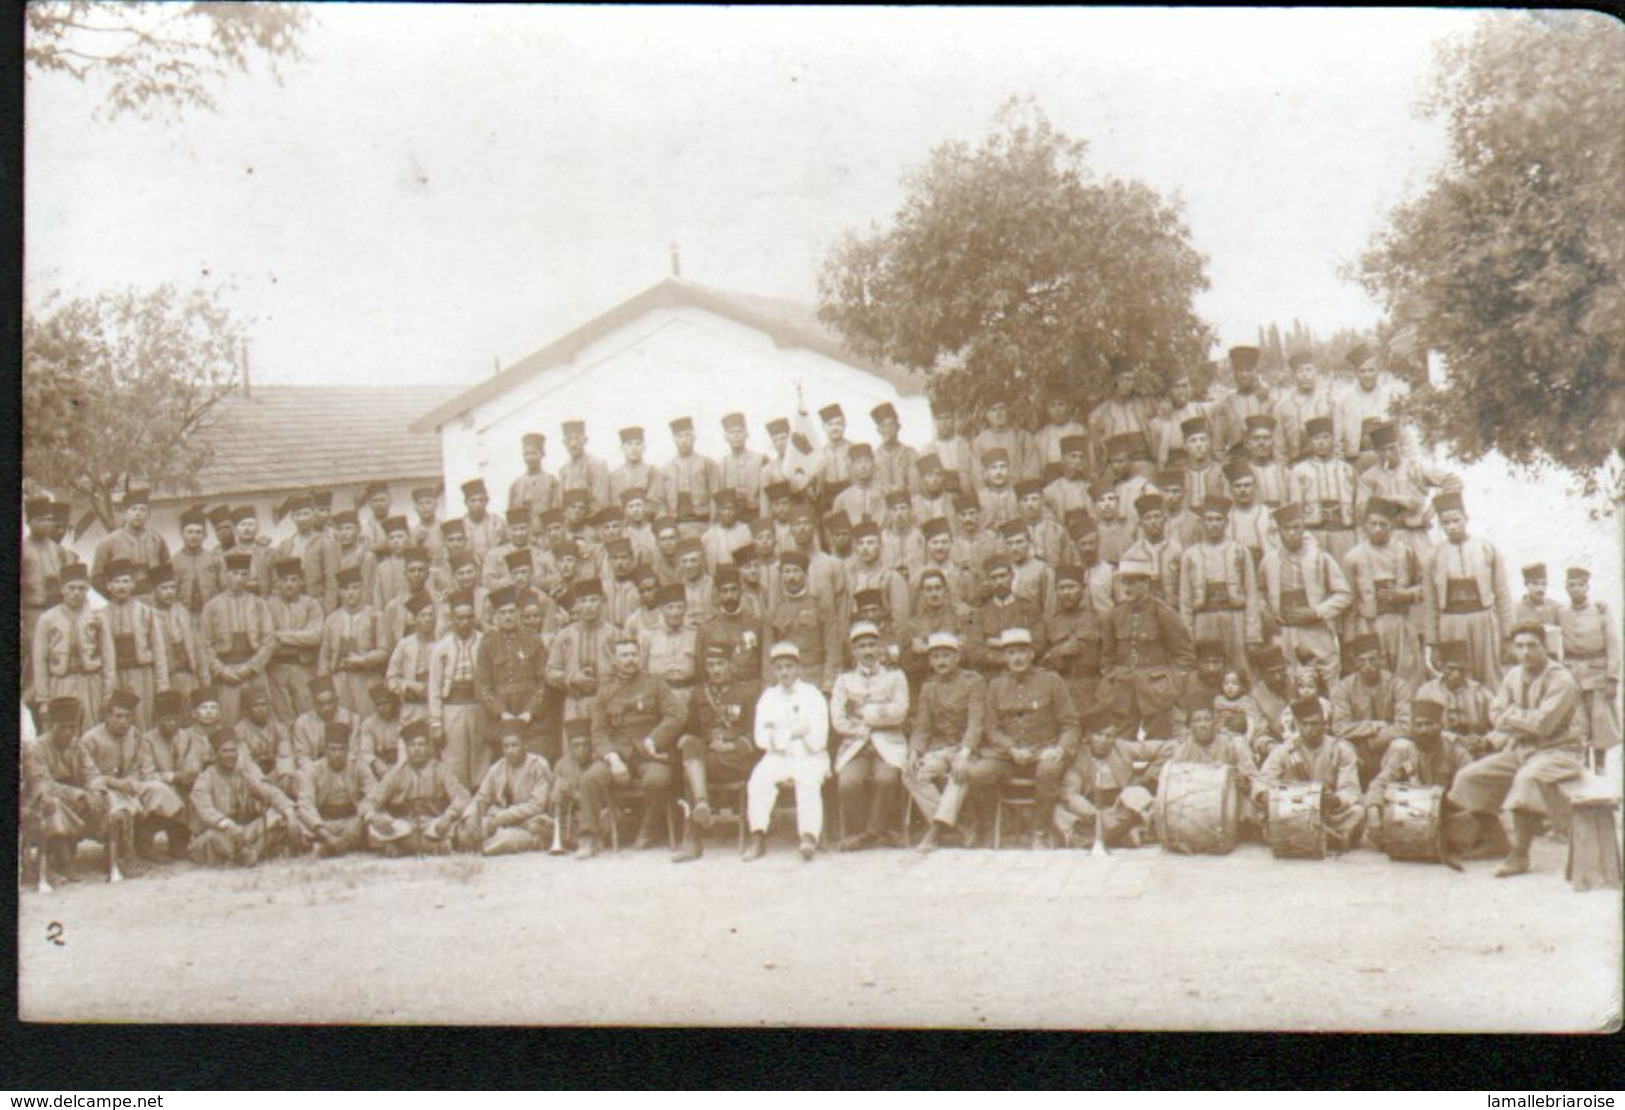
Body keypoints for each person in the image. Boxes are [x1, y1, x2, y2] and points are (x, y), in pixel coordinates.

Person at [1446, 623, 1587, 877]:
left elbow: (1543, 725)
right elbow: (1494, 714)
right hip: (1522, 749)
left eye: (1532, 645)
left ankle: (1520, 855)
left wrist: (1510, 717)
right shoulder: (1513, 675)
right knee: (1470, 776)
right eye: (1520, 646)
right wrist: (1519, 719)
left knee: (1527, 780)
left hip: (1560, 752)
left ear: (1545, 646)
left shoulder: (1561, 679)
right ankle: (1496, 839)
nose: (1525, 652)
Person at [970, 627, 1081, 849]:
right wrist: (1011, 749)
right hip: (1009, 757)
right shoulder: (996, 686)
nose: (1017, 657)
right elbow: (991, 729)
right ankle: (992, 828)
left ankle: (1039, 832)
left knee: (1049, 770)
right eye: (1011, 653)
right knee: (978, 773)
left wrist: (1060, 749)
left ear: (1031, 654)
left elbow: (1070, 724)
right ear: (1004, 657)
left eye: (1022, 651)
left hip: (1044, 752)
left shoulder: (1051, 681)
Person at [575, 635, 685, 857]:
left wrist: (654, 739)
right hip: (617, 753)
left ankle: (649, 827)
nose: (630, 660)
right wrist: (613, 759)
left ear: (641, 656)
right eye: (624, 655)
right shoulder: (605, 691)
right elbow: (598, 731)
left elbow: (677, 714)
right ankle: (588, 837)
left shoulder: (655, 684)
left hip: (649, 752)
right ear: (615, 660)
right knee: (590, 779)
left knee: (658, 779)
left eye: (633, 654)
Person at [671, 643, 761, 863]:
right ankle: (701, 802)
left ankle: (692, 840)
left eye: (720, 664)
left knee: (690, 771)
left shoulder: (747, 692)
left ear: (730, 664)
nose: (716, 669)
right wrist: (689, 739)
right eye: (711, 665)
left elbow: (757, 733)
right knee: (690, 749)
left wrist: (731, 746)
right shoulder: (699, 693)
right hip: (709, 759)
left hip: (738, 759)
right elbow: (693, 730)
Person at [743, 642, 830, 862]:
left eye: (789, 666)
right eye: (779, 667)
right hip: (778, 755)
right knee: (758, 780)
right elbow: (760, 737)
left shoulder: (812, 695)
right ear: (773, 671)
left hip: (808, 754)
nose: (784, 672)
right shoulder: (768, 697)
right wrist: (792, 733)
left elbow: (819, 737)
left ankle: (809, 836)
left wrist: (787, 732)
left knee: (808, 779)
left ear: (798, 668)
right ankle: (757, 835)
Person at [830, 621, 911, 851]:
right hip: (855, 743)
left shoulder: (895, 676)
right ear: (854, 651)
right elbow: (838, 720)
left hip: (888, 743)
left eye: (872, 645)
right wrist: (875, 716)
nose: (867, 651)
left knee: (887, 779)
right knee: (848, 783)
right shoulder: (844, 680)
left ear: (880, 648)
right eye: (862, 646)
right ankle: (876, 830)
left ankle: (867, 835)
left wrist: (862, 712)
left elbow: (899, 713)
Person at [1423, 491, 1512, 690]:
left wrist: (1507, 635)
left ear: (1466, 518)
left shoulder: (1486, 549)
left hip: (1483, 620)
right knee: (1457, 677)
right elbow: (1430, 604)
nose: (1452, 526)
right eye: (1446, 523)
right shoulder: (1433, 557)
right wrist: (1433, 643)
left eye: (1456, 520)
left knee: (1490, 676)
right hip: (1451, 623)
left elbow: (1503, 594)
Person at [1360, 698, 1474, 855]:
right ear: (1412, 728)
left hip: (1447, 816)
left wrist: (1443, 804)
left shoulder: (1457, 753)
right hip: (1411, 815)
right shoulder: (1404, 751)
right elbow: (1380, 783)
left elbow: (1473, 789)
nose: (1424, 730)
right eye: (1419, 725)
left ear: (1440, 726)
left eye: (1429, 724)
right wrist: (1373, 811)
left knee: (1471, 822)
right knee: (1373, 813)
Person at [1257, 503, 1351, 691]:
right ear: (1278, 532)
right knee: (1289, 683)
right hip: (1285, 633)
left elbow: (1344, 594)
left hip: (1316, 631)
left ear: (1304, 529)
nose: (1291, 533)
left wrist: (1317, 612)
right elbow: (1259, 593)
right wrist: (1268, 616)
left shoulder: (1320, 558)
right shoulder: (1269, 561)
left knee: (1330, 681)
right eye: (1286, 529)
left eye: (1296, 528)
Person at [1100, 551, 1193, 739]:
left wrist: (1170, 685)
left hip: (1156, 692)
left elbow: (1185, 656)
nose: (1127, 587)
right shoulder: (1114, 615)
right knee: (1122, 742)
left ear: (1147, 584)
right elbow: (1107, 656)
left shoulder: (1164, 613)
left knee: (1158, 740)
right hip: (1123, 691)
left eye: (1133, 582)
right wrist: (1112, 679)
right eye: (1124, 582)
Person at [906, 632, 984, 852]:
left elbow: (976, 723)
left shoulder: (973, 682)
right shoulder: (928, 687)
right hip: (939, 748)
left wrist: (964, 753)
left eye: (947, 656)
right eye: (936, 657)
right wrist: (914, 752)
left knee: (960, 773)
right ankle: (959, 826)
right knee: (910, 772)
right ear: (930, 661)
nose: (941, 661)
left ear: (957, 657)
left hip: (966, 748)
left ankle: (935, 832)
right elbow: (923, 726)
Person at [1258, 696, 1365, 852]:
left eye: (1314, 724)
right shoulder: (1286, 750)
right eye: (1304, 724)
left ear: (1324, 724)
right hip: (1293, 810)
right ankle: (1326, 836)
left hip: (1327, 812)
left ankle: (1306, 834)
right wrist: (1268, 797)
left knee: (1358, 812)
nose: (1309, 729)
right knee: (1257, 809)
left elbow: (1350, 789)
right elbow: (1263, 780)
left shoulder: (1341, 750)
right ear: (1297, 725)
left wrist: (1335, 799)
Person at [1339, 496, 1427, 687]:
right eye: (1373, 524)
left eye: (1383, 524)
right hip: (1370, 625)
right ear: (1365, 526)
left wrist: (1407, 595)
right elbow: (1349, 603)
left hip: (1401, 624)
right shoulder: (1353, 558)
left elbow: (1425, 587)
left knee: (1408, 677)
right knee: (1377, 679)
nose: (1377, 529)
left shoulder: (1406, 552)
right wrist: (1349, 640)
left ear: (1392, 526)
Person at [188, 728, 304, 866]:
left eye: (233, 750)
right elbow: (205, 810)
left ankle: (250, 853)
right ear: (215, 754)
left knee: (281, 816)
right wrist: (228, 825)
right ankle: (245, 854)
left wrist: (290, 815)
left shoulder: (243, 773)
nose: (231, 755)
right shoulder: (205, 778)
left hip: (242, 831)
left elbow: (269, 792)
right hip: (217, 831)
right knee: (215, 839)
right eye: (225, 751)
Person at [360, 720, 473, 856]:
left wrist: (448, 817)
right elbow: (369, 801)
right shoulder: (396, 773)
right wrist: (373, 817)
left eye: (421, 744)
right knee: (373, 831)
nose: (417, 749)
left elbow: (462, 796)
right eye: (412, 745)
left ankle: (404, 847)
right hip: (404, 826)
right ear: (406, 749)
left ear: (428, 747)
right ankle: (434, 847)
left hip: (434, 824)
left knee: (465, 830)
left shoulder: (441, 770)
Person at [1178, 495, 1261, 678]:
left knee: (1240, 669)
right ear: (1201, 523)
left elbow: (1252, 595)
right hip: (1203, 619)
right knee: (1206, 669)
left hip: (1234, 618)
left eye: (1218, 520)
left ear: (1226, 522)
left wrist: (1252, 634)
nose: (1214, 525)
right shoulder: (1190, 555)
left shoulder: (1239, 551)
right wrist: (1187, 635)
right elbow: (1185, 599)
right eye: (1209, 520)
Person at [1356, 421, 1460, 565]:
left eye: (1392, 448)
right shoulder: (1369, 477)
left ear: (1399, 446)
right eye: (1382, 450)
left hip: (1415, 533)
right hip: (1386, 538)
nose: (1388, 454)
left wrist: (1430, 512)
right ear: (1376, 452)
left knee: (1426, 573)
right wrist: (1389, 501)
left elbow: (1453, 482)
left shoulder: (1415, 468)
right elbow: (1361, 510)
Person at [1162, 693, 1266, 837]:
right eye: (1197, 721)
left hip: (1230, 804)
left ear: (1215, 723)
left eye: (1207, 720)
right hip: (1197, 806)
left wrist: (1246, 783)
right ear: (1190, 726)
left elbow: (1255, 777)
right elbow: (1173, 785)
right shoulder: (1183, 750)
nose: (1203, 725)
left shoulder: (1233, 744)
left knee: (1252, 811)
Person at [199, 551, 274, 725]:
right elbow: (204, 645)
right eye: (234, 573)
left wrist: (251, 667)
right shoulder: (212, 606)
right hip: (227, 672)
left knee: (260, 718)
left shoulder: (258, 603)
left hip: (253, 671)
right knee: (229, 720)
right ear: (226, 575)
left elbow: (269, 641)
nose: (239, 578)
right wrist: (221, 670)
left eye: (244, 574)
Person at [1558, 566, 1620, 772]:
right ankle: (1582, 766)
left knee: (1600, 722)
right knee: (1578, 723)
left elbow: (1613, 644)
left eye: (1579, 585)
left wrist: (1612, 677)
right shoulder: (1562, 613)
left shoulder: (1600, 609)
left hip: (1598, 672)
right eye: (1571, 585)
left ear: (1587, 586)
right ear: (1566, 588)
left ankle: (1600, 766)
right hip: (1572, 673)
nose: (1575, 589)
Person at [476, 586, 549, 758]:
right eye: (503, 613)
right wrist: (502, 713)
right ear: (496, 617)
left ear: (518, 613)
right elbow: (482, 687)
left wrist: (529, 712)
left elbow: (543, 682)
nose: (508, 616)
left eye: (511, 612)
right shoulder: (487, 644)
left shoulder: (533, 639)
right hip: (499, 721)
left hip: (531, 720)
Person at [32, 564, 108, 728]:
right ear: (62, 589)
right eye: (71, 588)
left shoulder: (97, 617)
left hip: (90, 682)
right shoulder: (47, 619)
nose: (76, 593)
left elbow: (109, 657)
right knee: (62, 730)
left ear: (87, 590)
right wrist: (43, 699)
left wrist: (107, 694)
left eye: (81, 588)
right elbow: (39, 661)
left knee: (90, 729)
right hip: (61, 683)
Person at [133, 689, 205, 860]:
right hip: (156, 787)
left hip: (181, 786)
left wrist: (186, 776)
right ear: (157, 720)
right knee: (159, 794)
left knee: (193, 793)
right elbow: (146, 774)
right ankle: (144, 844)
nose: (171, 723)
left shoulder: (187, 737)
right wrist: (172, 777)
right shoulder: (147, 740)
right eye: (166, 719)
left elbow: (191, 767)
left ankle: (179, 841)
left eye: (175, 719)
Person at [1330, 632, 1415, 777]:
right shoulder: (1343, 688)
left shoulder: (1397, 685)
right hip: (1357, 749)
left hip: (1388, 748)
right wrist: (1373, 726)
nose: (1368, 666)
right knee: (1341, 748)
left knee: (1403, 745)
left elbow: (1406, 726)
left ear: (1381, 659)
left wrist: (1374, 742)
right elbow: (1339, 728)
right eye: (1361, 661)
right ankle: (1350, 793)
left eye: (1372, 660)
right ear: (1355, 663)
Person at [463, 722, 554, 856]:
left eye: (514, 745)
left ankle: (489, 844)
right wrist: (471, 818)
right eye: (506, 746)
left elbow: (537, 806)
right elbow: (482, 797)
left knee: (513, 837)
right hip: (500, 821)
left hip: (528, 821)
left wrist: (499, 819)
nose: (510, 750)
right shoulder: (497, 768)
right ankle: (483, 841)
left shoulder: (538, 765)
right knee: (466, 831)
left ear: (525, 745)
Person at [97, 559, 169, 730]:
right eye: (117, 582)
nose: (121, 586)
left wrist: (162, 685)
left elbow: (159, 651)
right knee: (116, 721)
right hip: (114, 676)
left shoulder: (145, 612)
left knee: (142, 721)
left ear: (133, 584)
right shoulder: (100, 615)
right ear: (109, 586)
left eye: (126, 581)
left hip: (141, 675)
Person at [429, 589, 487, 790]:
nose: (465, 622)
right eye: (460, 618)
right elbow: (434, 688)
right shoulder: (442, 647)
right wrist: (436, 722)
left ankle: (480, 805)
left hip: (479, 706)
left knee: (481, 758)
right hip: (452, 707)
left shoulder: (484, 641)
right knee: (454, 760)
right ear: (452, 619)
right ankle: (458, 804)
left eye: (469, 617)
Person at [297, 721, 378, 857]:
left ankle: (330, 847)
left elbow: (373, 795)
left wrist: (359, 820)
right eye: (333, 749)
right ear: (325, 750)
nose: (337, 754)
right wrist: (326, 834)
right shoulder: (313, 770)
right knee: (297, 823)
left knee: (377, 821)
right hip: (324, 821)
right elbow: (306, 804)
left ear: (348, 749)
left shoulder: (359, 766)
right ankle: (340, 844)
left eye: (341, 749)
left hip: (352, 820)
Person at [764, 550, 842, 692]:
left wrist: (828, 683)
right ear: (781, 576)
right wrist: (771, 686)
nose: (791, 577)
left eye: (796, 571)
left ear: (806, 575)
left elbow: (832, 648)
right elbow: (767, 655)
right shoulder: (773, 612)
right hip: (785, 678)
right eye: (787, 572)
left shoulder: (821, 606)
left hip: (815, 676)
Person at [260, 557, 325, 725]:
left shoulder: (312, 604)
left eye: (294, 579)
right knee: (282, 715)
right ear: (278, 583)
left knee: (307, 712)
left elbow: (315, 636)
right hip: (276, 667)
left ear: (301, 582)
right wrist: (299, 637)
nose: (289, 584)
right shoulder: (267, 605)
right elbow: (266, 638)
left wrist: (281, 636)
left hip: (303, 666)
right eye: (284, 580)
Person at [318, 566, 387, 719]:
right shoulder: (332, 620)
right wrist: (324, 687)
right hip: (340, 679)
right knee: (342, 723)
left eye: (355, 588)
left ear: (362, 590)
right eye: (346, 589)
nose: (351, 593)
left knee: (367, 719)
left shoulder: (375, 616)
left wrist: (364, 659)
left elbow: (384, 651)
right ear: (339, 592)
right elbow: (324, 657)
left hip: (367, 678)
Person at [1292, 415, 1360, 564]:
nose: (1321, 443)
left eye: (1325, 437)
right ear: (1310, 442)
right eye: (1316, 439)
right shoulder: (1300, 470)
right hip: (1314, 531)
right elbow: (1296, 505)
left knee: (1344, 571)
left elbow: (1357, 503)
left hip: (1343, 530)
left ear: (1333, 439)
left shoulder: (1347, 469)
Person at [92, 483, 171, 597]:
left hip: (152, 599)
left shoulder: (157, 540)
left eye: (142, 510)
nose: (138, 513)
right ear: (125, 513)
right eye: (133, 509)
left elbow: (167, 573)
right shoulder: (109, 542)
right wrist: (114, 598)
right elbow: (97, 578)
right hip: (122, 600)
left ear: (148, 514)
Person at [1211, 346, 1279, 460]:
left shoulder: (1268, 402)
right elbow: (1217, 448)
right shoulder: (1223, 406)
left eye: (1248, 370)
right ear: (1234, 373)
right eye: (1240, 370)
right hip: (1237, 466)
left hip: (1266, 463)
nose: (1244, 375)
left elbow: (1278, 442)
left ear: (1255, 372)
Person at [509, 432, 559, 528]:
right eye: (526, 454)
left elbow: (557, 513)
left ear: (542, 454)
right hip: (524, 537)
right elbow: (512, 518)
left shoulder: (552, 482)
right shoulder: (516, 485)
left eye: (533, 453)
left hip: (546, 534)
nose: (529, 458)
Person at [1512, 563, 1564, 631]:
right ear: (1526, 584)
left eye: (1543, 584)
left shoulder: (1556, 608)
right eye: (1535, 584)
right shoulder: (1516, 610)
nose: (1540, 589)